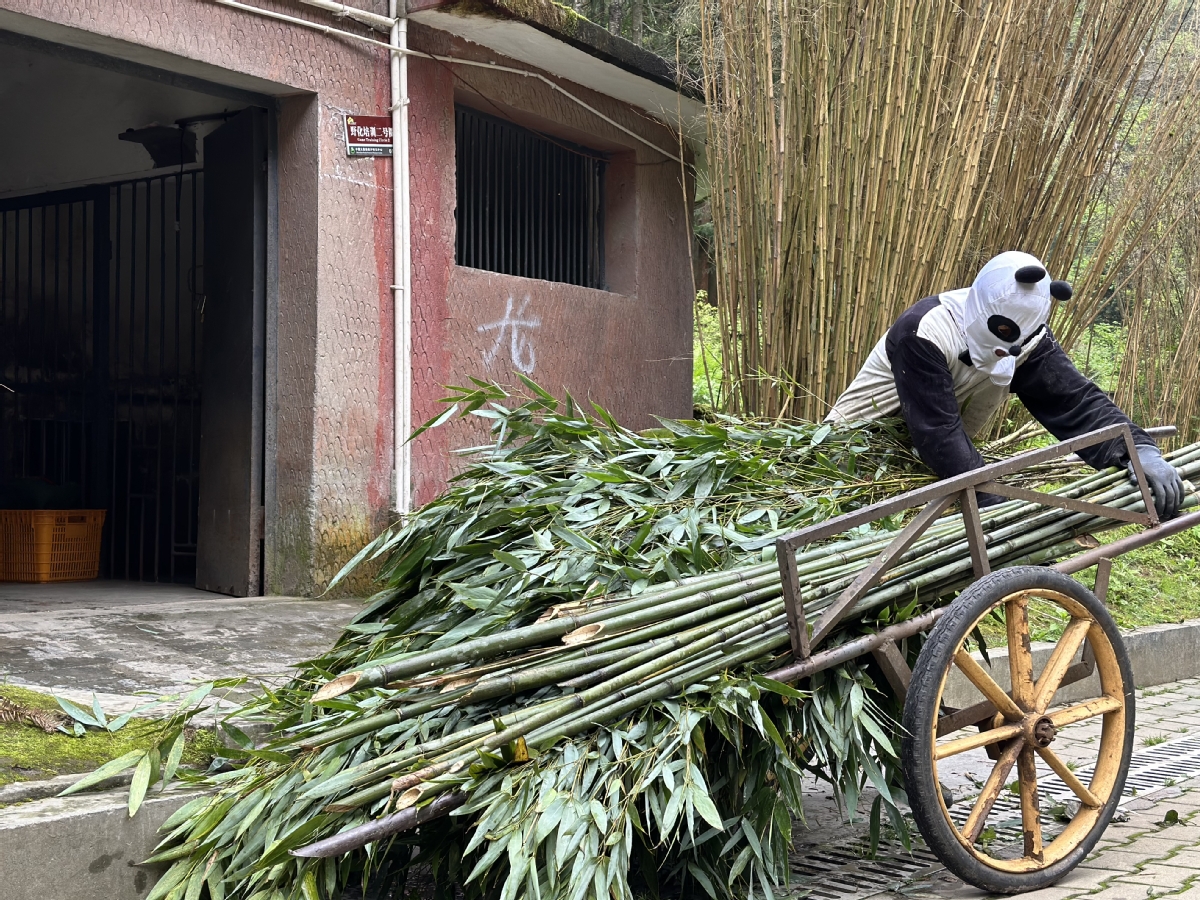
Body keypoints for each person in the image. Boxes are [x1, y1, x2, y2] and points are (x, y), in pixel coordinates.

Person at [825, 250, 1184, 519]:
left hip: (929, 471)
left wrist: (1138, 450)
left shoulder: (1025, 338)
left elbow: (1075, 401)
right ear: (982, 306)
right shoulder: (926, 331)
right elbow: (938, 433)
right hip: (851, 463)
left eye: (1021, 337)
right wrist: (1000, 505)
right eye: (1005, 334)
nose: (1009, 349)